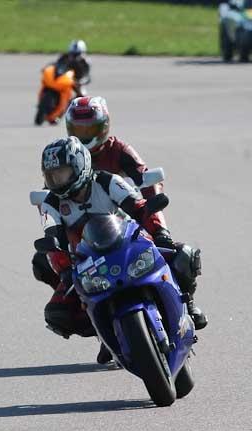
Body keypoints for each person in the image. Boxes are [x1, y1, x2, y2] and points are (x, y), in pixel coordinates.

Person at [34, 137, 207, 362]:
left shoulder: (108, 181)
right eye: (52, 176)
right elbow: (52, 236)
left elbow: (139, 206)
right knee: (57, 313)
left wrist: (159, 232)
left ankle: (189, 305)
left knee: (185, 255)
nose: (57, 181)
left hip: (129, 243)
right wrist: (65, 269)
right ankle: (106, 333)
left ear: (79, 166)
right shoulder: (51, 203)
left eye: (62, 173)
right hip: (88, 259)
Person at [33, 96, 176, 290]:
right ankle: (73, 292)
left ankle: (184, 299)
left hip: (119, 220)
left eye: (89, 129)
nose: (84, 135)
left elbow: (146, 180)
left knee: (179, 254)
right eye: (77, 130)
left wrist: (157, 228)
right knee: (42, 262)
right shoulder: (65, 156)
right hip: (82, 235)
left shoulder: (117, 153)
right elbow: (52, 197)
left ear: (104, 126)